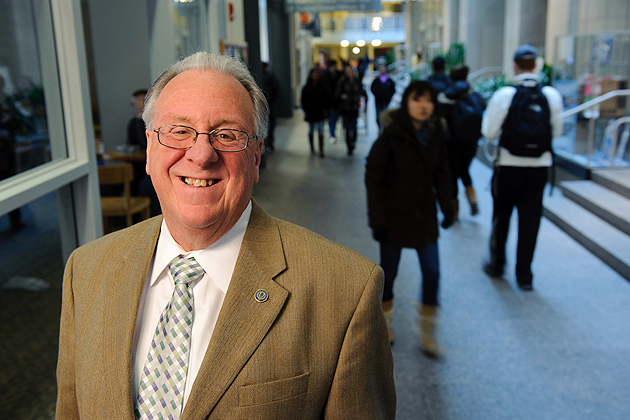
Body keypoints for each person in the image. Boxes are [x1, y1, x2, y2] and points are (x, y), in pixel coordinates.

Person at [56, 52, 396, 419]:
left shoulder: (346, 292)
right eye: (179, 131)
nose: (201, 154)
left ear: (256, 156)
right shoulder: (85, 271)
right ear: (150, 149)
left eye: (227, 135)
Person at [365, 80, 455, 356]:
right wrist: (376, 217)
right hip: (393, 216)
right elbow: (373, 176)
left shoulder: (436, 134)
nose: (423, 105)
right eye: (417, 99)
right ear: (406, 102)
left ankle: (427, 332)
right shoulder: (392, 135)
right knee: (388, 274)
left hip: (424, 215)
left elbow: (442, 173)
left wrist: (448, 205)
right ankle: (386, 326)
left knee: (433, 272)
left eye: (428, 100)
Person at [481, 44, 563, 291]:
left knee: (502, 217)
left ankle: (497, 265)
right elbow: (556, 132)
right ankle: (525, 276)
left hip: (508, 166)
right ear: (536, 65)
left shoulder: (504, 95)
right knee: (530, 221)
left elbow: (488, 131)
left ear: (515, 65)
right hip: (539, 168)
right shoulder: (551, 95)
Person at [440, 65, 486, 218]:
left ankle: (454, 211)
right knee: (465, 170)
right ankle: (472, 198)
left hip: (452, 142)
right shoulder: (475, 95)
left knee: (453, 174)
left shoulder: (447, 95)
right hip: (471, 142)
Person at [334, 64, 367, 156]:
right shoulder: (342, 82)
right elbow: (337, 94)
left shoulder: (357, 81)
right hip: (345, 108)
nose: (349, 73)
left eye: (350, 71)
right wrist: (341, 96)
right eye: (347, 71)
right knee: (347, 127)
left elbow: (362, 91)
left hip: (354, 107)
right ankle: (349, 145)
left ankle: (353, 142)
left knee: (354, 126)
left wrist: (365, 100)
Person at [301, 67, 328, 157]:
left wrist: (324, 109)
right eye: (314, 74)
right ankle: (312, 148)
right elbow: (303, 101)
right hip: (310, 112)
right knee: (311, 130)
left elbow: (325, 99)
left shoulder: (322, 87)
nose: (316, 76)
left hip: (319, 112)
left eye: (317, 74)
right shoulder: (306, 87)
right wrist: (306, 110)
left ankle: (321, 150)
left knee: (320, 130)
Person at [370, 62, 396, 132]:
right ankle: (380, 128)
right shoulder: (376, 80)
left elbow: (393, 89)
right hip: (378, 101)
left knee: (385, 115)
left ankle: (384, 128)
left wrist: (389, 96)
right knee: (378, 115)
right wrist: (376, 94)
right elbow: (372, 88)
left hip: (386, 101)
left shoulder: (389, 81)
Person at [322, 59, 341, 143]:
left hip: (338, 102)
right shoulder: (326, 74)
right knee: (332, 118)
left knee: (336, 118)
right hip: (330, 102)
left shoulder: (339, 74)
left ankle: (333, 132)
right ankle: (332, 134)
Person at [261, 62, 279, 152]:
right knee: (271, 123)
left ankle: (264, 142)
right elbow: (276, 88)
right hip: (269, 103)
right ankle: (270, 142)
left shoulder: (256, 76)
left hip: (260, 104)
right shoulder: (270, 76)